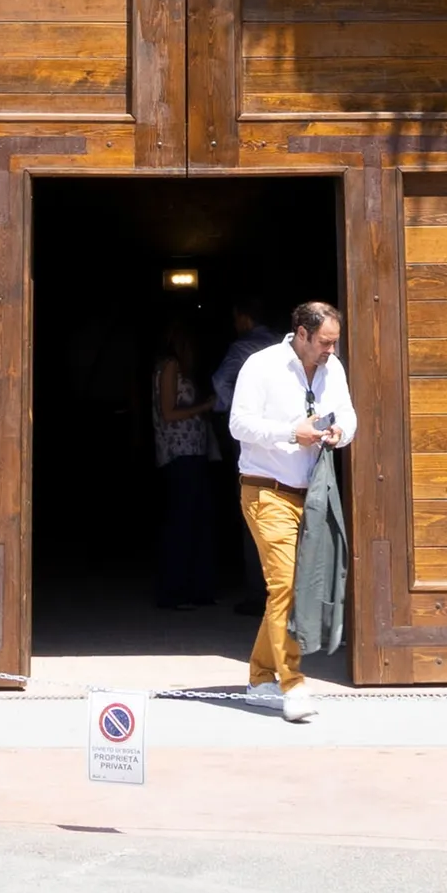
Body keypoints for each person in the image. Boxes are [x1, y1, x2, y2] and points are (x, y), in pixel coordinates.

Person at [229, 299, 358, 722]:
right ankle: (293, 683)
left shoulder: (331, 368)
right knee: (286, 586)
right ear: (301, 334)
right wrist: (291, 432)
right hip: (267, 491)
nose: (331, 352)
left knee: (292, 588)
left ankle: (261, 677)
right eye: (324, 342)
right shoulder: (261, 366)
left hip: (314, 493)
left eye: (334, 343)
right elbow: (239, 424)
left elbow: (349, 413)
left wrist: (340, 432)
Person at [148, 325, 225, 609]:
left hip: (194, 452)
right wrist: (203, 407)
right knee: (183, 522)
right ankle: (174, 592)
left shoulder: (177, 368)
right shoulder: (169, 366)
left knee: (199, 520)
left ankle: (197, 589)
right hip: (180, 453)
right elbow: (168, 412)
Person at [210, 299, 274, 613]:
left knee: (252, 507)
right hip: (287, 434)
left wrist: (232, 413)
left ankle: (256, 594)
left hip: (249, 437)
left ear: (244, 317)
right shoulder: (281, 345)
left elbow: (220, 381)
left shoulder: (242, 348)